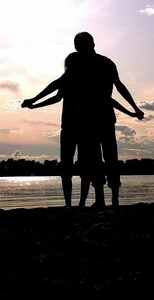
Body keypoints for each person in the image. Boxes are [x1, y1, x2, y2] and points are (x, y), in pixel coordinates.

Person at [22, 32, 144, 207]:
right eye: (77, 47)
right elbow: (59, 86)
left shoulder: (91, 64)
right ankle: (105, 199)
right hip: (93, 120)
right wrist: (34, 100)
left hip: (95, 120)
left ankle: (110, 199)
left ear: (90, 45)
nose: (78, 49)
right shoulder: (90, 63)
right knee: (101, 159)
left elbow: (118, 87)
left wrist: (134, 108)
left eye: (80, 46)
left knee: (105, 158)